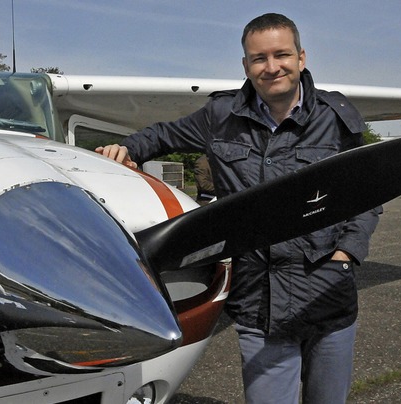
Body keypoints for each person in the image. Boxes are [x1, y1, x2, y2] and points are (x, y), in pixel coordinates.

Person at [96, 13, 381, 404]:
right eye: (259, 58)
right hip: (258, 301)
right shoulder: (220, 116)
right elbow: (161, 135)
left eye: (281, 55)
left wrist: (347, 252)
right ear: (246, 66)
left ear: (301, 58)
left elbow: (367, 192)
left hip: (328, 295)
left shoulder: (335, 119)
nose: (271, 67)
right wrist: (127, 148)